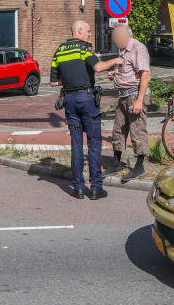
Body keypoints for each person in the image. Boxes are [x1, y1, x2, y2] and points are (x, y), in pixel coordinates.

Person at [50, 20, 120, 200]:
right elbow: (97, 67)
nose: (90, 34)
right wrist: (115, 60)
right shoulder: (84, 48)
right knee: (94, 143)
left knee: (75, 143)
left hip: (69, 101)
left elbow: (53, 81)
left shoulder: (59, 51)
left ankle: (79, 188)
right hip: (87, 101)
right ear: (79, 30)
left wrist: (72, 80)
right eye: (88, 31)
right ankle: (96, 188)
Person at [105, 24, 151, 182]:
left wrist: (139, 100)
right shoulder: (123, 50)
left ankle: (139, 166)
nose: (116, 41)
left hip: (134, 95)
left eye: (118, 37)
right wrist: (115, 75)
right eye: (115, 38)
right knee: (118, 129)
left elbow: (145, 74)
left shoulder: (139, 48)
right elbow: (128, 71)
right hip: (123, 96)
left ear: (127, 35)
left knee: (137, 130)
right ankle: (116, 162)